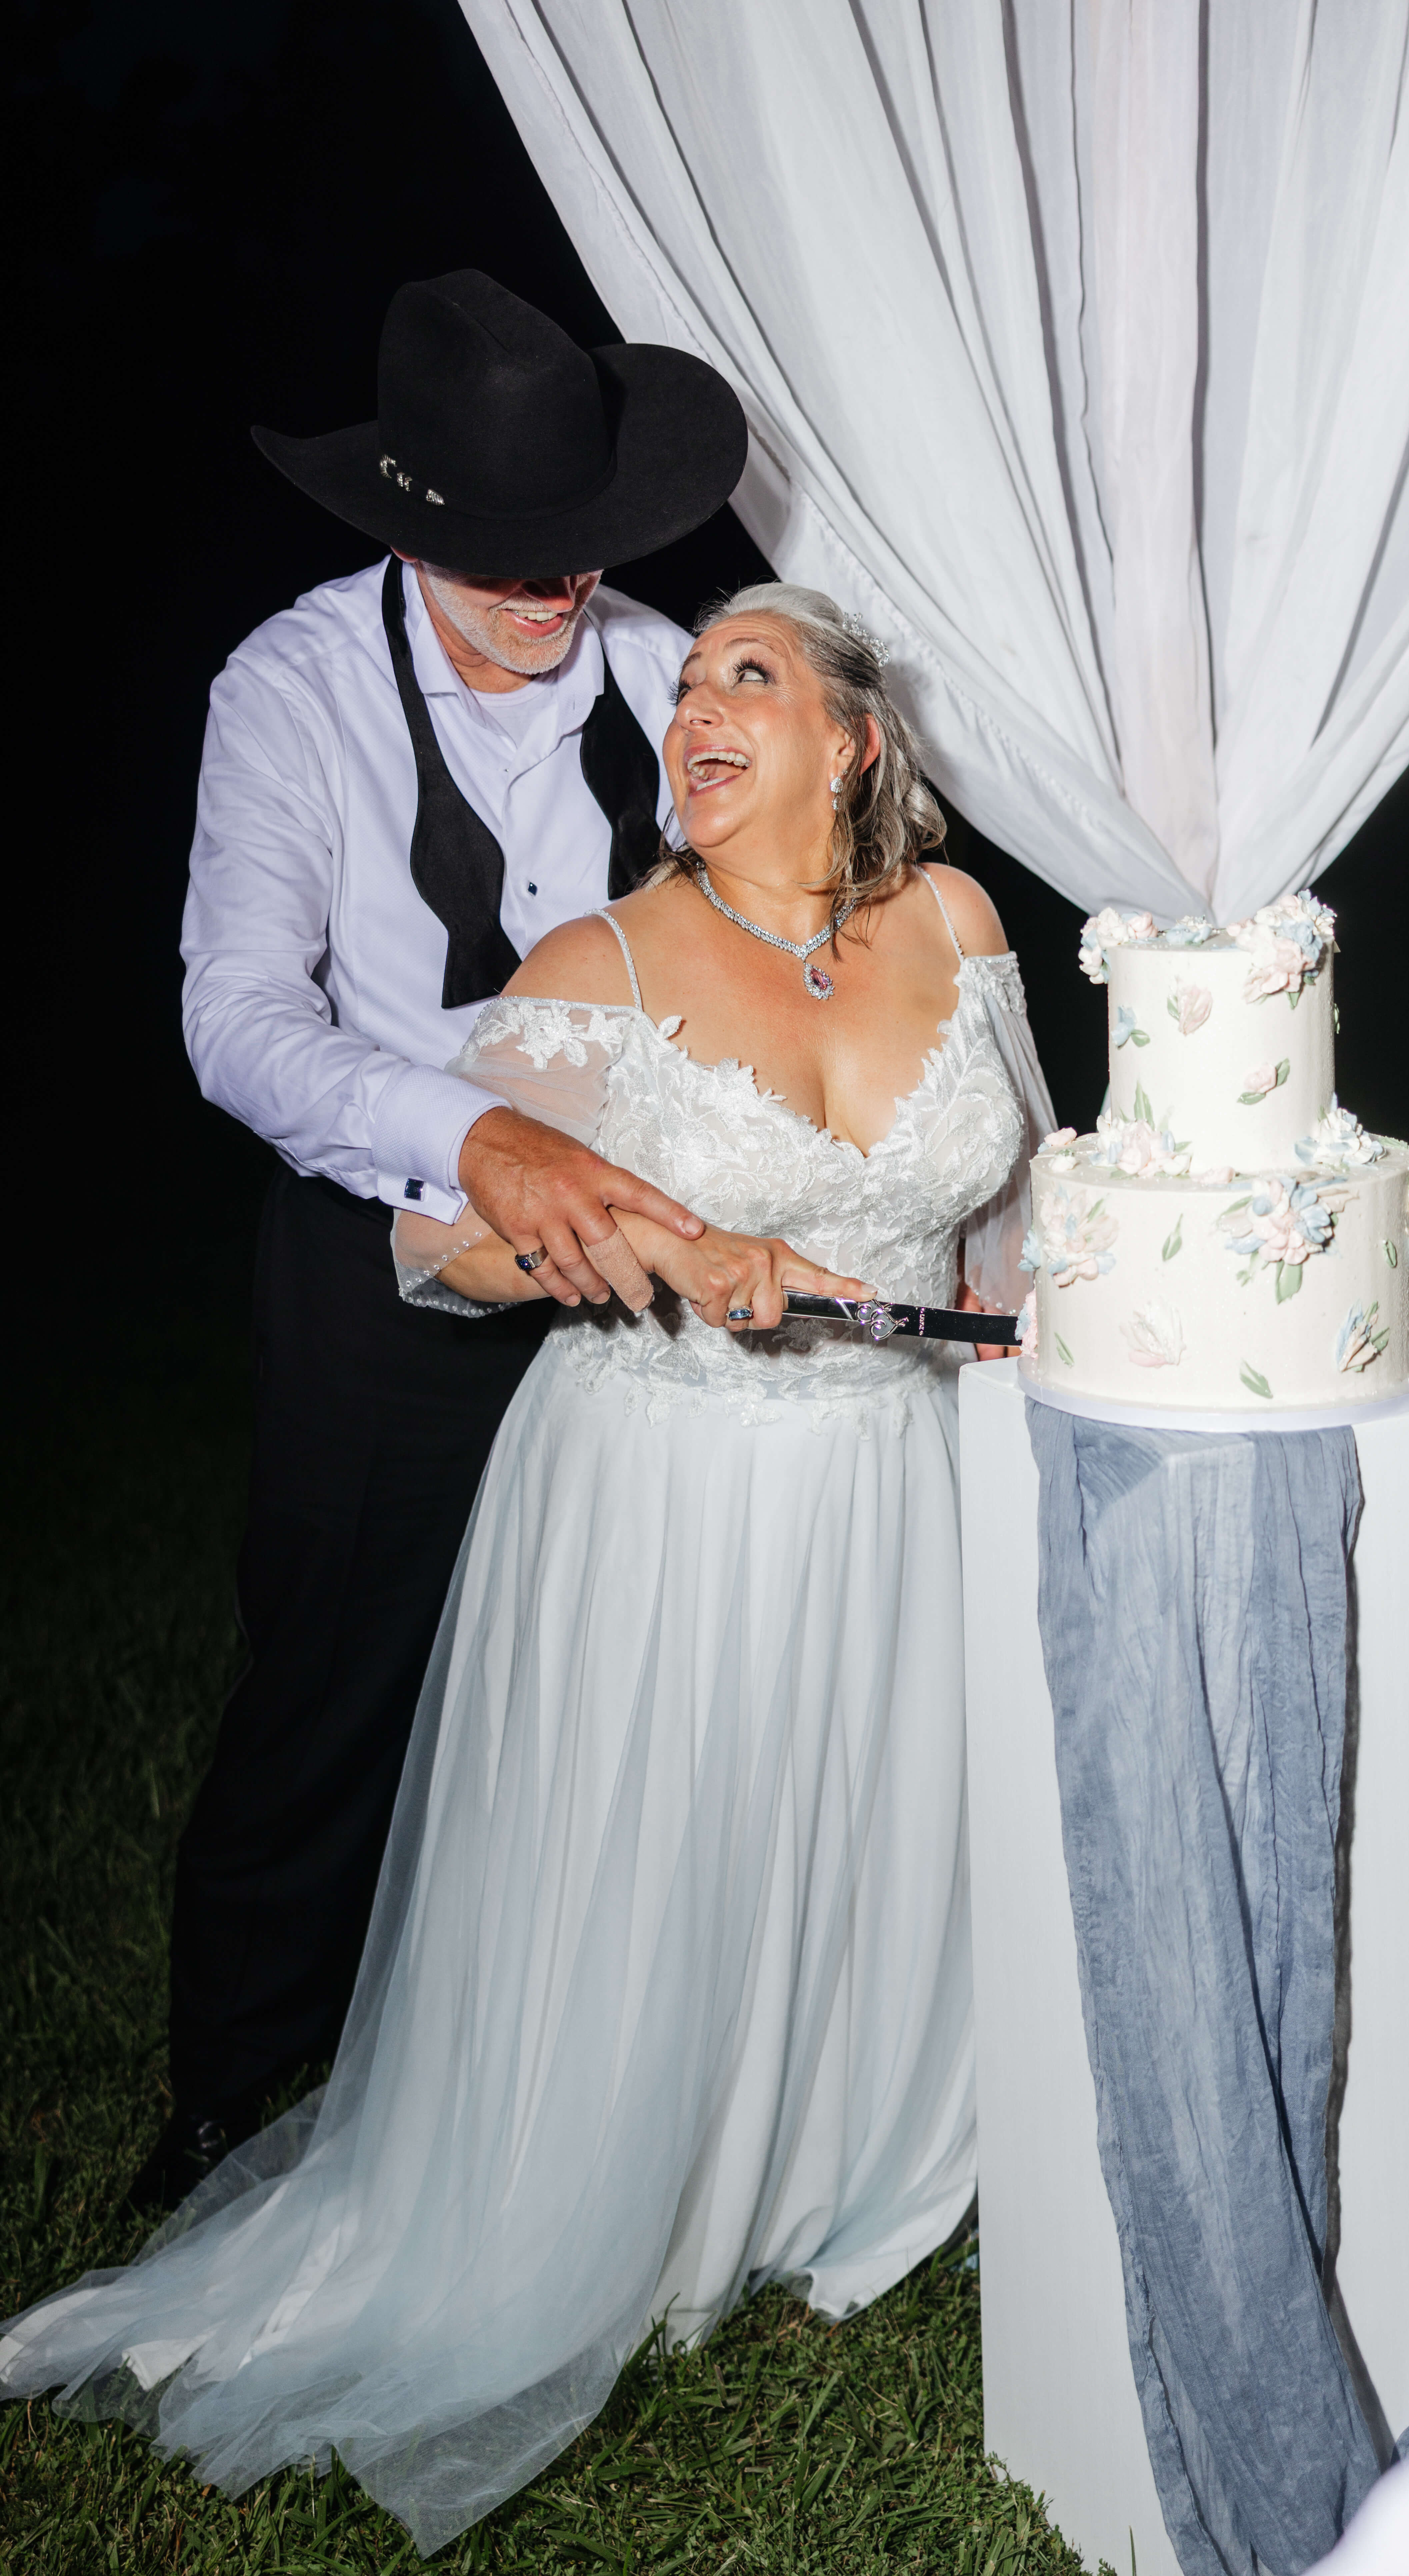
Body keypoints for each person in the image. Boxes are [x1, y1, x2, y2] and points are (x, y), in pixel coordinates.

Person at [0, 583, 1051, 2554]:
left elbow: (1005, 1224)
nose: (702, 705)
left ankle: (833, 2146)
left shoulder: (962, 927)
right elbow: (441, 1248)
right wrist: (639, 1245)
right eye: (697, 682)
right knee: (663, 1842)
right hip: (663, 1479)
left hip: (899, 1481)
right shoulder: (598, 959)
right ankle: (594, 2179)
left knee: (864, 1826)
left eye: (757, 676)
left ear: (855, 745)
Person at [139, 269, 749, 2212]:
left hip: (645, 1256)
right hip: (387, 1251)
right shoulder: (291, 689)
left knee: (622, 1681)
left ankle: (564, 2093)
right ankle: (240, 2094)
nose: (545, 591)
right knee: (334, 1687)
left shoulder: (676, 677)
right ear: (402, 518)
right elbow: (238, 1022)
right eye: (496, 556)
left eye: (568, 550)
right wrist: (470, 1143)